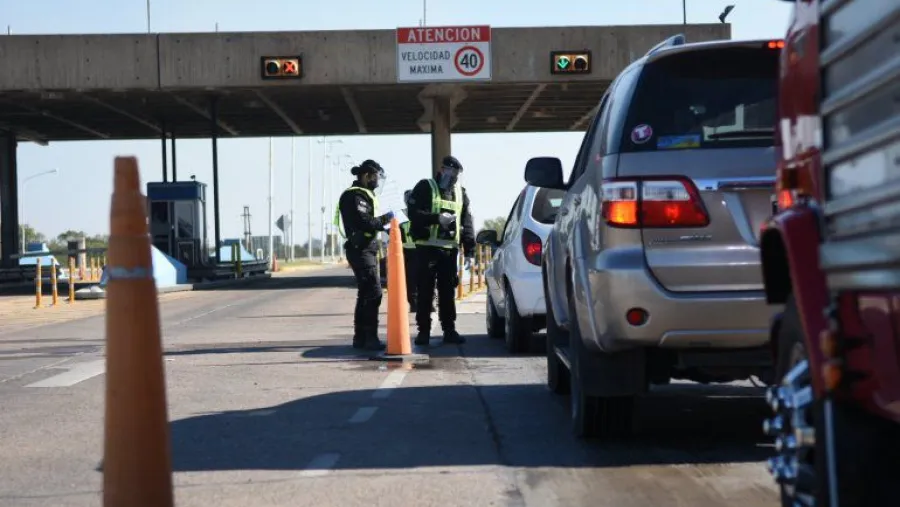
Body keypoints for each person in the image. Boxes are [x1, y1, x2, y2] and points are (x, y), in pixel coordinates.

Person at [407, 155, 475, 346]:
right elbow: (414, 213)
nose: (453, 177)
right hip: (427, 248)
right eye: (451, 172)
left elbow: (467, 221)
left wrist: (470, 248)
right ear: (442, 169)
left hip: (448, 251)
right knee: (425, 291)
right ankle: (424, 332)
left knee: (447, 292)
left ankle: (449, 330)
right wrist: (437, 218)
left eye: (457, 174)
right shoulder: (425, 187)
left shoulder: (461, 193)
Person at [335, 159, 395, 351]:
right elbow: (366, 222)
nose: (377, 180)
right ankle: (369, 338)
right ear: (366, 175)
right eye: (376, 176)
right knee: (373, 292)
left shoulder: (365, 194)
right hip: (359, 249)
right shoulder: (355, 196)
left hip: (366, 248)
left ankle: (360, 338)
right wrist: (388, 217)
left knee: (365, 293)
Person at [399, 190, 419, 310]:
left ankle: (419, 302)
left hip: (417, 250)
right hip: (409, 251)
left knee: (418, 278)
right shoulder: (400, 213)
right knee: (412, 279)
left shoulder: (402, 213)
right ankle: (414, 303)